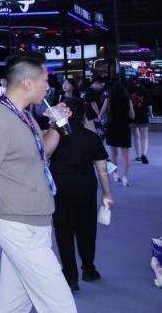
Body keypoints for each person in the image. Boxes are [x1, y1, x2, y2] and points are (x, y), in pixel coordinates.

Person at [0, 52, 76, 313]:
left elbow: (42, 152)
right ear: (28, 82)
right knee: (61, 305)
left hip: (36, 220)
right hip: (20, 226)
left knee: (13, 302)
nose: (48, 86)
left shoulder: (24, 116)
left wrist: (56, 126)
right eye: (45, 79)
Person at [50, 97, 114, 291]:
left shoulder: (53, 136)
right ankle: (89, 269)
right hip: (86, 188)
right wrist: (107, 194)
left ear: (68, 112)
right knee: (87, 230)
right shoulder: (91, 137)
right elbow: (102, 169)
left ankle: (70, 277)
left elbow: (43, 157)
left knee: (64, 232)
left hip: (61, 189)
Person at [100, 81, 135, 186]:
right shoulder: (128, 101)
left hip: (112, 128)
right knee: (126, 156)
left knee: (113, 154)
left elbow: (100, 114)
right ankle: (125, 177)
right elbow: (132, 116)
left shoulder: (108, 101)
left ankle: (115, 174)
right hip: (124, 128)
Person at [129, 80, 151, 164]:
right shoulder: (144, 91)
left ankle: (138, 156)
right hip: (143, 116)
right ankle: (143, 154)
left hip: (133, 116)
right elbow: (149, 104)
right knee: (144, 137)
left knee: (136, 137)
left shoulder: (129, 90)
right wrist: (151, 113)